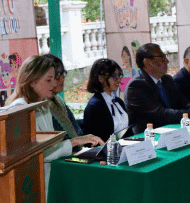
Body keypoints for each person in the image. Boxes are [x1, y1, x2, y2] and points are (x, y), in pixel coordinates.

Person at [7, 56, 103, 190]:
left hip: (49, 178)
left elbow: (51, 146)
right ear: (31, 81)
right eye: (48, 80)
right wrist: (74, 142)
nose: (54, 84)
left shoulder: (43, 105)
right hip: (32, 185)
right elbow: (33, 153)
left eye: (54, 79)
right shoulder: (19, 108)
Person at [126, 43, 190, 134]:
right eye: (162, 57)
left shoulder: (167, 79)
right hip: (148, 138)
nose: (167, 61)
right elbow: (161, 114)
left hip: (172, 132)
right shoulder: (137, 85)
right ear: (147, 62)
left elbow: (184, 104)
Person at [82, 58, 130, 141]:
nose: (119, 80)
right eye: (114, 76)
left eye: (119, 75)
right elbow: (98, 139)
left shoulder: (118, 101)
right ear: (101, 78)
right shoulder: (94, 106)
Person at [43, 54, 88, 138]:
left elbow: (77, 130)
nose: (62, 79)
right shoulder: (42, 107)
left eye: (63, 74)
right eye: (57, 76)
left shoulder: (58, 100)